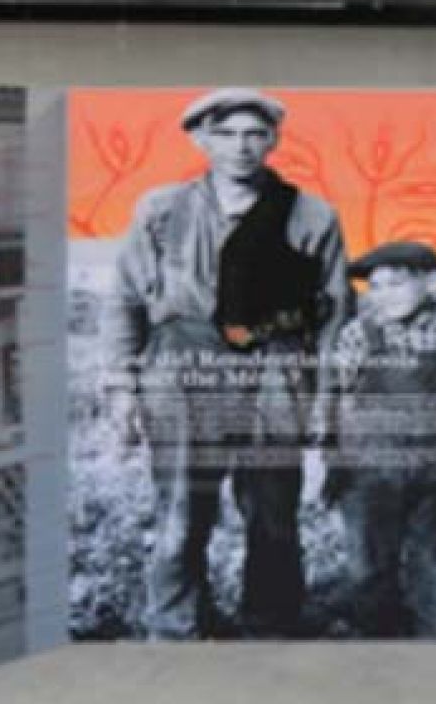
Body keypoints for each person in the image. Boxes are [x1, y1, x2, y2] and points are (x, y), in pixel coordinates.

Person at [106, 88, 350, 639]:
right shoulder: (161, 210)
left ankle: (270, 624)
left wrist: (326, 402)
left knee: (272, 507)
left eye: (254, 134)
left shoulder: (311, 214)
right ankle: (176, 625)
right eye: (226, 134)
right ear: (201, 140)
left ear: (273, 141)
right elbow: (125, 301)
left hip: (275, 368)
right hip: (184, 362)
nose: (241, 147)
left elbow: (335, 318)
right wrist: (122, 389)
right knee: (182, 507)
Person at [324, 240, 436, 637]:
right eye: (375, 286)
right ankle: (378, 639)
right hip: (371, 470)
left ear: (431, 283)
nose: (384, 295)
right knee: (368, 562)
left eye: (397, 283)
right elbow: (338, 397)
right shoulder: (359, 334)